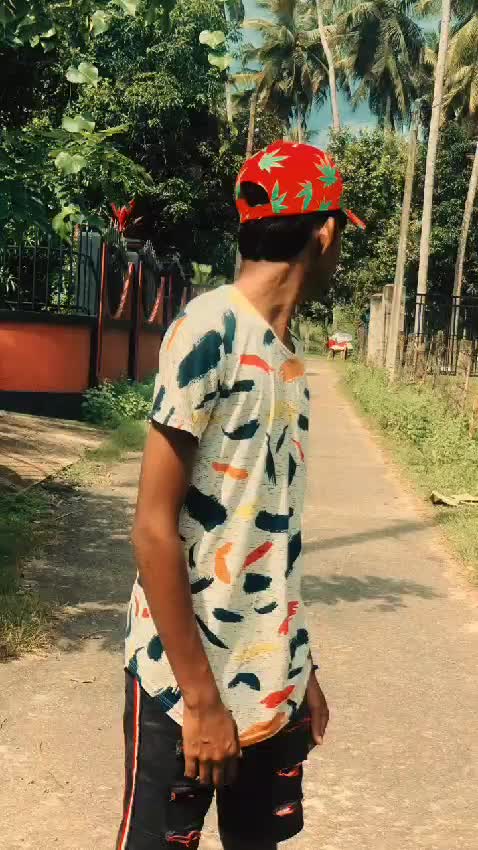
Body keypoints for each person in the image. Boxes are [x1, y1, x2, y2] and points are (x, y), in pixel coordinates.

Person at [116, 141, 365, 850]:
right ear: (325, 233)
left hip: (269, 682)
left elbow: (269, 535)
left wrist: (301, 668)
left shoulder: (286, 359)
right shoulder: (210, 330)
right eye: (340, 233)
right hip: (183, 685)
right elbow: (153, 528)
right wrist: (200, 701)